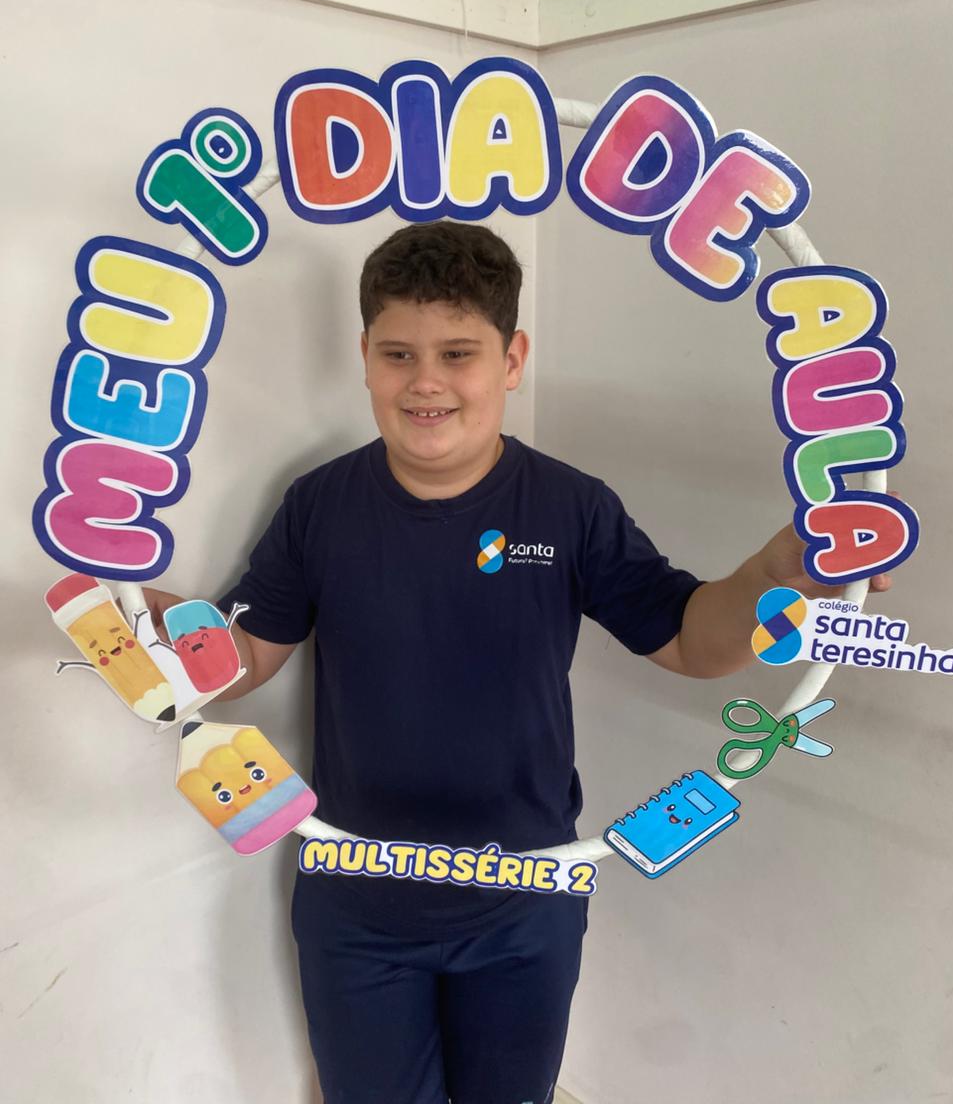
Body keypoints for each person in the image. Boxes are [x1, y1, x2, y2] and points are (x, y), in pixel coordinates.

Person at [146, 219, 889, 1104]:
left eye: (458, 354)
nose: (425, 382)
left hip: (527, 900)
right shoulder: (319, 504)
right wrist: (146, 620)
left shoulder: (572, 507)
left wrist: (770, 575)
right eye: (398, 354)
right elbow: (245, 657)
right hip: (356, 901)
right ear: (365, 357)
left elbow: (692, 639)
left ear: (512, 359)